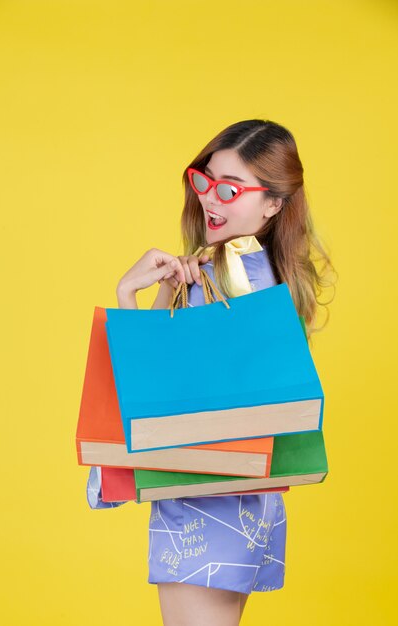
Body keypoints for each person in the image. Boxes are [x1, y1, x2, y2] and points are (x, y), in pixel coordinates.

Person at [86, 119, 335, 626]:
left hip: (206, 496)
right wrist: (150, 291)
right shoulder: (249, 277)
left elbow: (149, 391)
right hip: (235, 492)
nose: (210, 199)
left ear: (273, 204)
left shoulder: (228, 279)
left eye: (229, 189)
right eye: (204, 181)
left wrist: (125, 295)